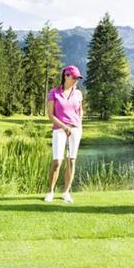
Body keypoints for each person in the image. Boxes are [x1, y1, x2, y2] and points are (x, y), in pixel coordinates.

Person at [44, 65, 84, 203]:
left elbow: (80, 111)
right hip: (59, 130)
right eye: (74, 77)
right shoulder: (54, 93)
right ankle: (50, 192)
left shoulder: (78, 93)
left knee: (71, 160)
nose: (76, 80)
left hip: (75, 130)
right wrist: (64, 126)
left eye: (78, 78)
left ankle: (66, 192)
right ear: (66, 76)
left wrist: (80, 125)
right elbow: (50, 115)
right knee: (57, 162)